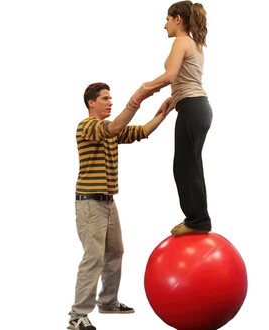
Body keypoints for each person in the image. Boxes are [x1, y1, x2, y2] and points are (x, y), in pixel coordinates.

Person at [68, 82, 170, 330]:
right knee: (94, 258)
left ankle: (108, 301)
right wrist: (137, 100)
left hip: (107, 202)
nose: (110, 102)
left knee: (115, 251)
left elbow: (142, 131)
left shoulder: (112, 132)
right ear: (91, 103)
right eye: (105, 98)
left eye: (111, 98)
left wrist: (163, 112)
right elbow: (114, 127)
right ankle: (77, 316)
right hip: (90, 203)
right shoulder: (88, 126)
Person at [132, 1, 212, 236]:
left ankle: (197, 220)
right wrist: (174, 98)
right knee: (191, 165)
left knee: (185, 166)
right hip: (197, 107)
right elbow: (186, 79)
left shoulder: (181, 41)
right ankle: (198, 218)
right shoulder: (195, 44)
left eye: (167, 19)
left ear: (178, 19)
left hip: (193, 108)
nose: (164, 24)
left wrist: (144, 89)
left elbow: (170, 75)